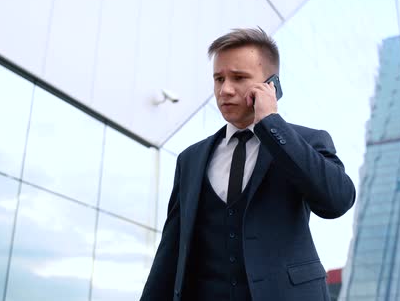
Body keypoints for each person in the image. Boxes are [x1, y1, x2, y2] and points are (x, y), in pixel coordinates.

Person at [140, 27, 356, 301]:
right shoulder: (190, 159)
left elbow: (337, 201)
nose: (225, 90)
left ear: (271, 84)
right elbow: (170, 252)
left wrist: (271, 124)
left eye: (239, 78)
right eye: (219, 79)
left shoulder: (306, 141)